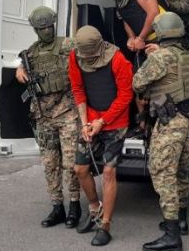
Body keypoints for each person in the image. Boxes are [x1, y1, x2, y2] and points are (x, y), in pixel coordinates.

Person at [132, 12, 189, 251]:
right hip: (187, 119)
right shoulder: (186, 55)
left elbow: (137, 83)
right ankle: (181, 222)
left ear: (160, 32)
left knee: (162, 173)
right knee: (180, 171)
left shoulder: (160, 58)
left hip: (170, 121)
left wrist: (152, 56)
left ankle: (172, 237)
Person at [15, 6, 81, 229]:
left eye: (49, 26)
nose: (47, 31)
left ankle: (74, 205)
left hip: (67, 112)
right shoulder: (31, 53)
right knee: (50, 163)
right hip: (43, 115)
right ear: (35, 30)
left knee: (71, 163)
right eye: (42, 28)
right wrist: (19, 70)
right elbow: (22, 66)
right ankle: (57, 206)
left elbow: (90, 53)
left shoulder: (68, 44)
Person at [69, 25, 133, 246]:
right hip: (91, 119)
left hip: (116, 122)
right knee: (80, 169)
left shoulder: (118, 60)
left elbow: (126, 95)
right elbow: (78, 89)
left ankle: (105, 225)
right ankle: (95, 208)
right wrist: (85, 122)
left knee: (108, 172)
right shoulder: (75, 57)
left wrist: (102, 121)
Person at [97, 0, 162, 54]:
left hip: (162, 36)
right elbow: (126, 19)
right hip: (146, 41)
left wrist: (140, 38)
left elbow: (154, 13)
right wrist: (131, 38)